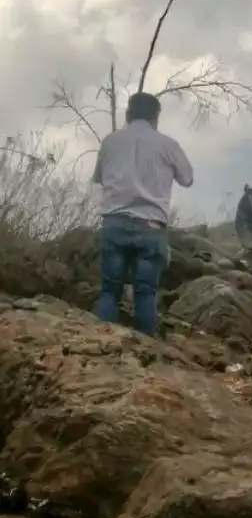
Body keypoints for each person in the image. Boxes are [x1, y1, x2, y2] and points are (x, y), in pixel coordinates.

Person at [91, 92, 193, 336]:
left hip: (114, 223)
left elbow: (98, 178)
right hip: (151, 227)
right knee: (145, 292)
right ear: (156, 117)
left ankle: (100, 347)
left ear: (127, 114)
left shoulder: (110, 142)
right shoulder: (168, 145)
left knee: (109, 290)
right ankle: (145, 357)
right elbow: (187, 179)